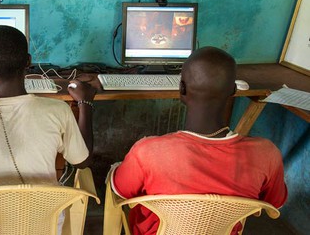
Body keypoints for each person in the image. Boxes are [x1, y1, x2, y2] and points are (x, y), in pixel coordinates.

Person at [108, 46, 288, 235]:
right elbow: (275, 203)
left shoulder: (147, 152)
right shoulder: (266, 154)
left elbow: (121, 190)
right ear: (234, 91)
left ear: (182, 89)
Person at [0, 25, 96, 234]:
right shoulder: (57, 110)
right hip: (47, 227)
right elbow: (83, 161)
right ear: (28, 62)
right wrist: (85, 105)